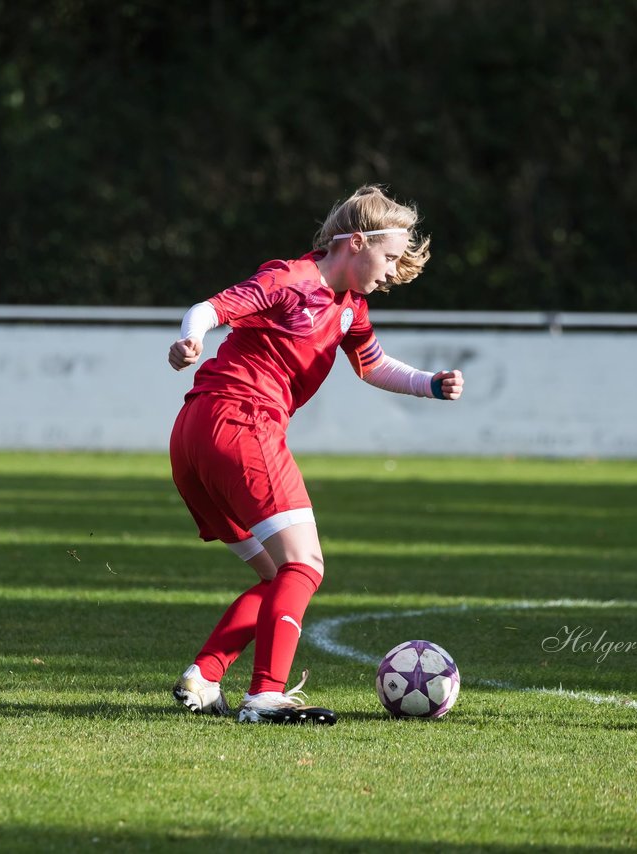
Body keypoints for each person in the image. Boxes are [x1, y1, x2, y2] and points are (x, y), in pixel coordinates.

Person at [167, 185, 464, 725]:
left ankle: (205, 678)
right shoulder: (292, 280)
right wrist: (191, 341)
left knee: (280, 575)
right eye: (390, 257)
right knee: (305, 565)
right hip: (240, 423)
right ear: (355, 242)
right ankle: (266, 696)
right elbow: (209, 309)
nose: (393, 271)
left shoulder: (350, 308)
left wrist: (429, 383)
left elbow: (371, 366)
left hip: (195, 434)